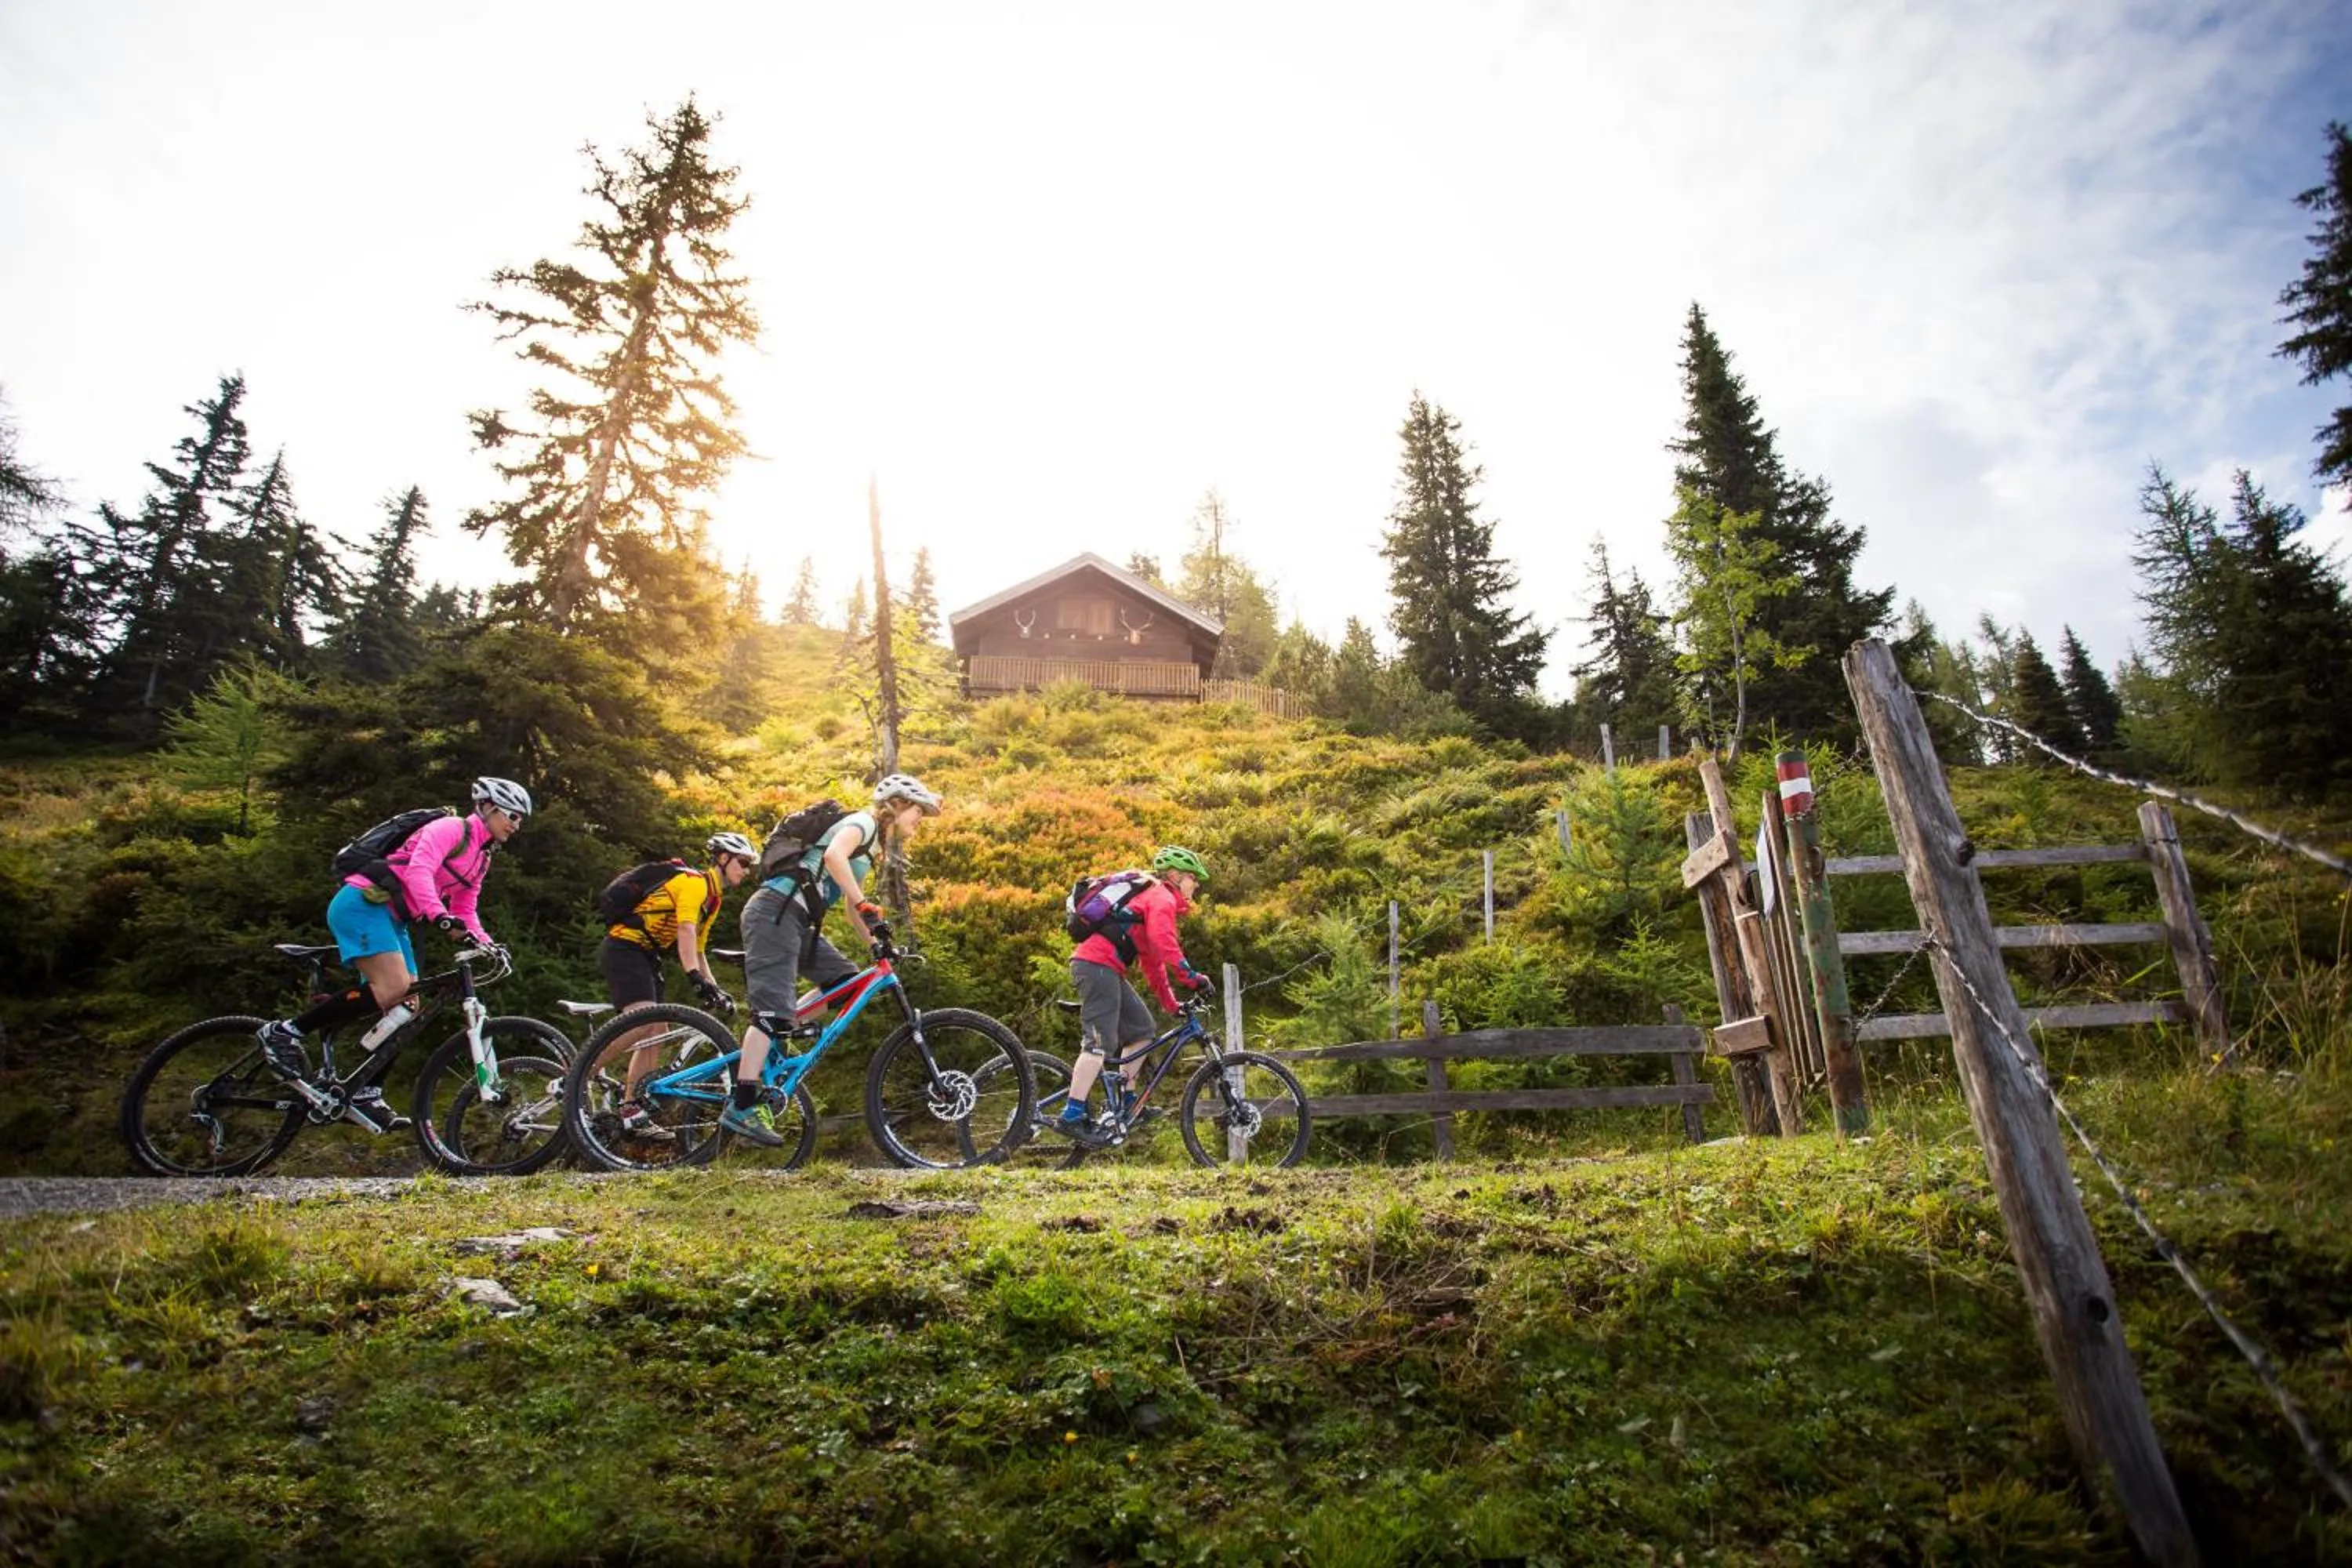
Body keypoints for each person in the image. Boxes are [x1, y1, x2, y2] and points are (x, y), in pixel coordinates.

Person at [254, 777, 531, 1133]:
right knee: (395, 987)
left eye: (521, 819)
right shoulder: (450, 829)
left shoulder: (481, 858)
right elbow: (419, 870)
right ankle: (285, 1031)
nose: (516, 824)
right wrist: (438, 916)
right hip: (362, 904)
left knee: (406, 1008)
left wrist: (487, 943)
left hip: (393, 919)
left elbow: (466, 906)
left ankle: (368, 1093)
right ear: (488, 808)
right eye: (511, 814)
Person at [720, 772, 943, 1146]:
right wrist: (864, 904)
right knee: (770, 1011)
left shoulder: (873, 849)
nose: (919, 821)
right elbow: (833, 855)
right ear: (899, 805)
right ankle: (743, 1105)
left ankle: (782, 1028)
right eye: (918, 812)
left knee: (846, 984)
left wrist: (876, 942)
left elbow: (850, 906)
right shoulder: (864, 823)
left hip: (797, 919)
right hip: (776, 910)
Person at [1047, 845, 1211, 1145]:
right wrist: (1192, 977)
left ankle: (1127, 1102)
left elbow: (1154, 963)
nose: (1196, 884)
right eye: (1192, 878)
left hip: (1106, 969)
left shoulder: (1152, 901)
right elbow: (1165, 943)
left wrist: (1171, 1004)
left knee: (1142, 1030)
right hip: (1095, 966)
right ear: (1175, 876)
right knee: (1100, 1042)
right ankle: (1071, 1114)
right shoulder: (1161, 896)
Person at [602, 830, 759, 1142]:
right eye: (742, 862)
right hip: (624, 947)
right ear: (723, 859)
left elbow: (698, 949)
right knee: (642, 1018)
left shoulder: (713, 900)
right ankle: (581, 1073)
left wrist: (714, 987)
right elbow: (685, 930)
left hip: (647, 955)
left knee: (657, 1030)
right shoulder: (694, 884)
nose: (746, 869)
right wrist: (693, 977)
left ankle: (630, 1107)